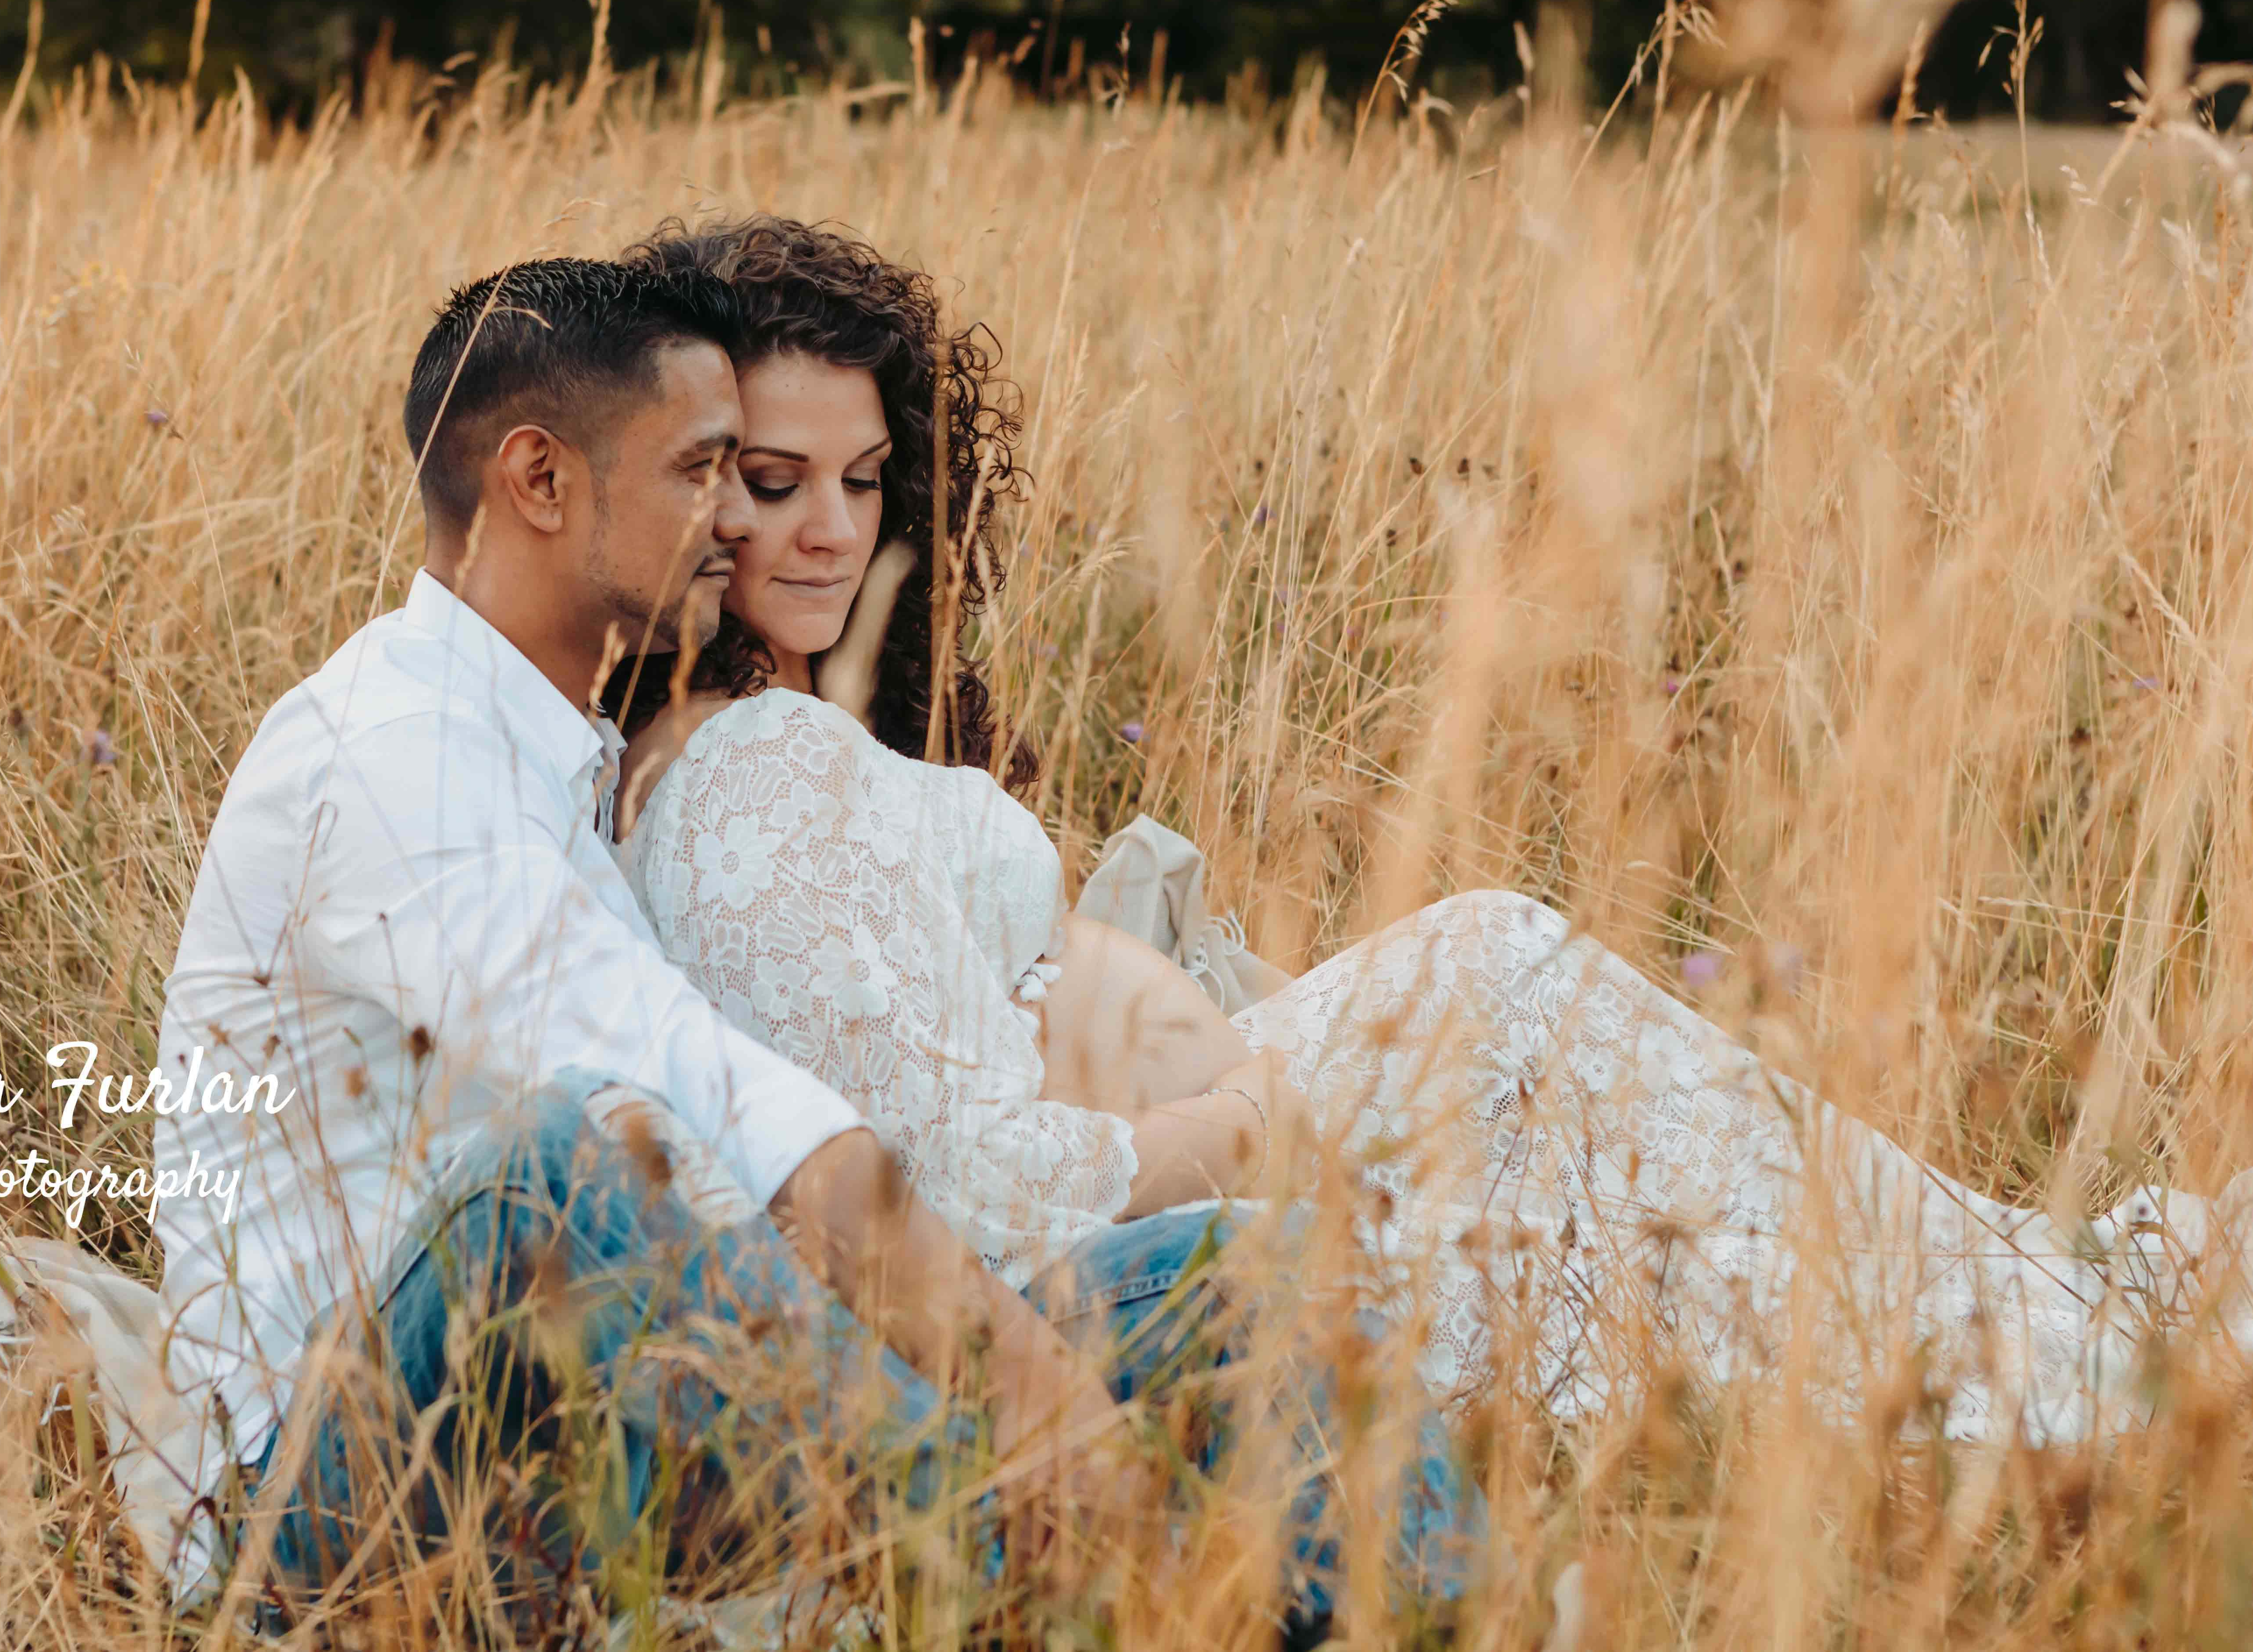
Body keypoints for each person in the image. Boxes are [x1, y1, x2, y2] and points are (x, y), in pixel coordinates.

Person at [611, 214, 2253, 1447]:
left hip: (1117, 1168)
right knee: (1494, 994)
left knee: (1562, 1128)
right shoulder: (750, 772)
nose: (832, 537)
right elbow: (946, 1192)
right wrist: (1229, 1123)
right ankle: (2112, 1319)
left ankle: (2089, 1305)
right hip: (1077, 1263)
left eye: (863, 482)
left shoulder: (760, 736)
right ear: (677, 480)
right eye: (773, 487)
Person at [146, 256, 1484, 1637]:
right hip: (322, 1502)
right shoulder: (396, 760)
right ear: (539, 483)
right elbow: (706, 1103)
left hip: (608, 1400)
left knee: (1248, 1271)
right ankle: (1087, 1560)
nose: (737, 520)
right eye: (704, 470)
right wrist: (1055, 1423)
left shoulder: (561, 738)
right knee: (551, 1175)